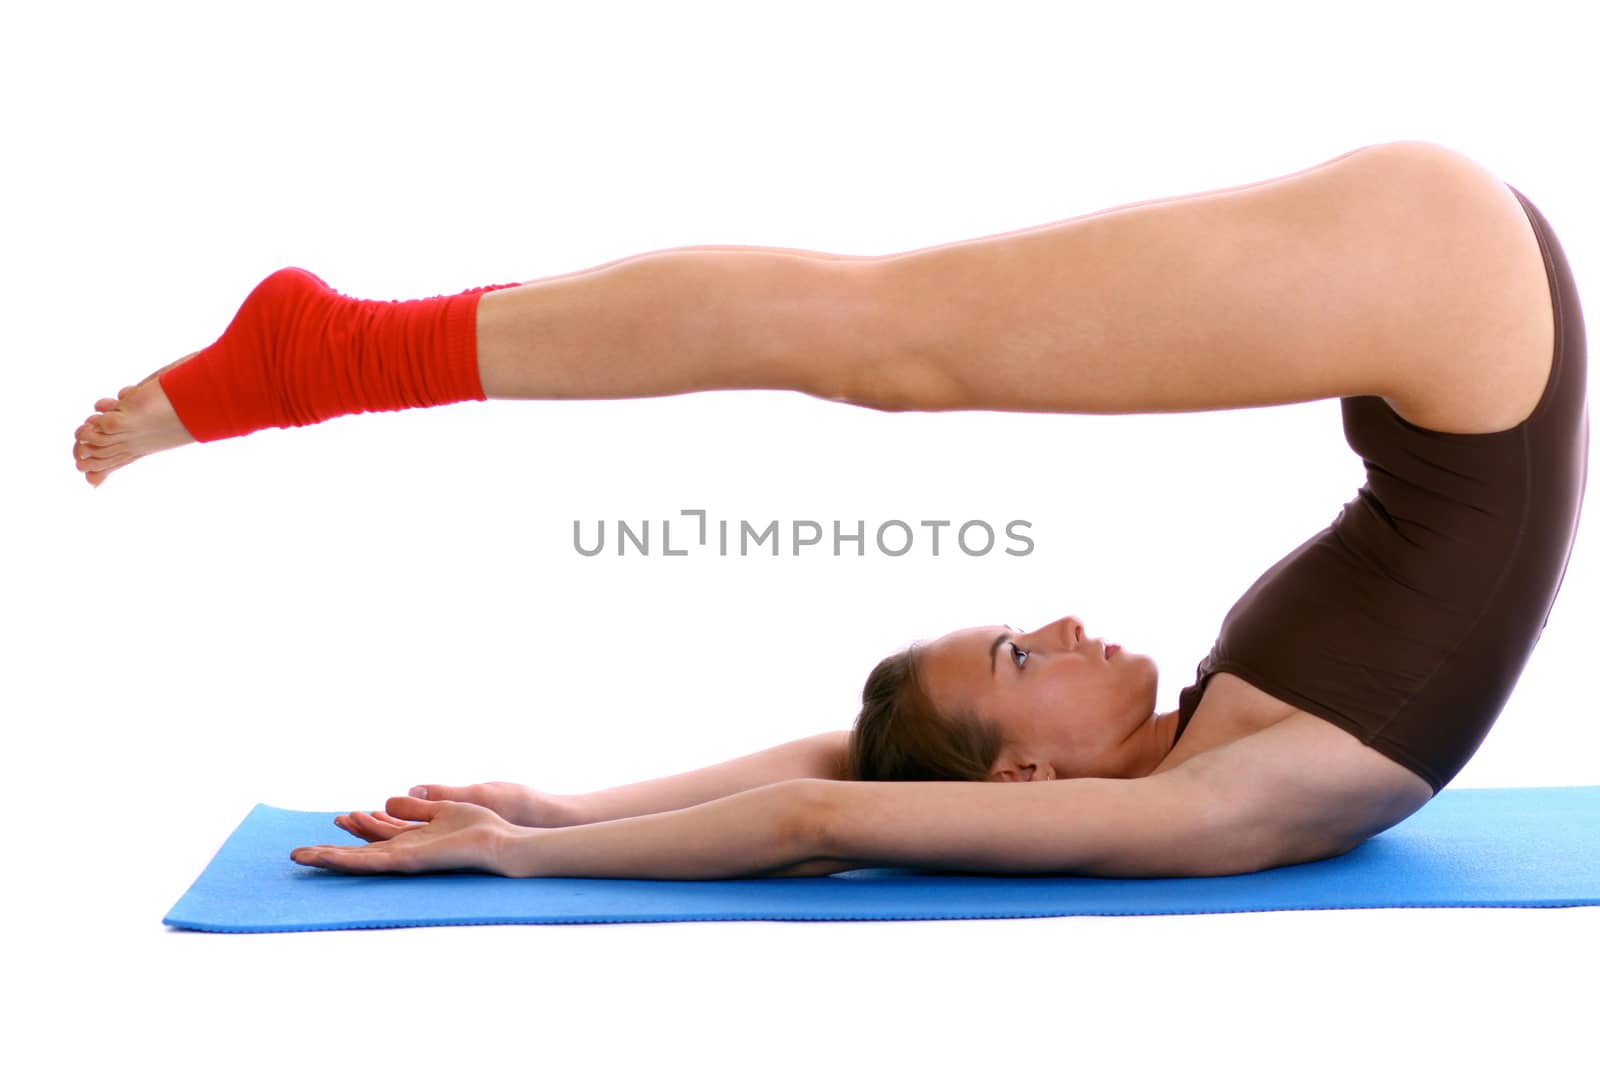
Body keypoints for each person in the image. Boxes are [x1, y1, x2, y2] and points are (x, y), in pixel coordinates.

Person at [74, 141, 1586, 880]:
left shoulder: (1195, 764)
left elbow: (839, 782)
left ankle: (332, 354)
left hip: (1451, 319)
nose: (1057, 620)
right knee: (884, 346)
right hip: (1447, 301)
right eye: (1019, 660)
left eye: (1009, 643)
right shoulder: (1230, 797)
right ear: (1036, 786)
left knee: (886, 340)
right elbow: (824, 812)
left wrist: (554, 813)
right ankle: (326, 354)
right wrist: (526, 856)